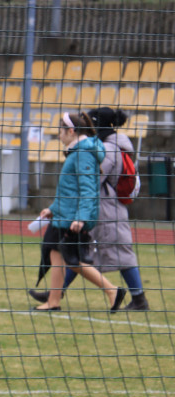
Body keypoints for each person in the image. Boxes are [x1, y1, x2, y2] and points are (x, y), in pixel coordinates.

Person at [28, 107, 149, 311]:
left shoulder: (105, 148)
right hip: (94, 207)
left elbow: (89, 182)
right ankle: (56, 294)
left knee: (118, 252)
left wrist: (78, 212)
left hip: (105, 209)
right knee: (73, 253)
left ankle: (137, 298)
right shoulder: (98, 146)